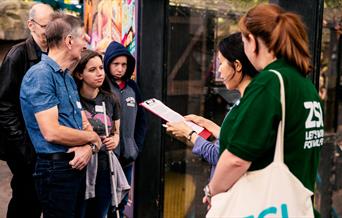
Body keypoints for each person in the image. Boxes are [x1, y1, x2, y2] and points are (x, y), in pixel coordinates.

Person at [204, 4, 324, 217]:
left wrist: (212, 190)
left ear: (252, 40)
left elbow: (237, 159)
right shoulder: (305, 86)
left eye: (243, 40)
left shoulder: (269, 83)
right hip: (294, 206)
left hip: (263, 207)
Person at [20, 12, 102, 217]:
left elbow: (83, 123)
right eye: (83, 37)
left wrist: (89, 147)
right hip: (55, 170)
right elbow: (52, 132)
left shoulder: (67, 77)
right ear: (68, 41)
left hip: (74, 166)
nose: (86, 43)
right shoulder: (41, 75)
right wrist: (92, 139)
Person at [165, 32, 258, 178]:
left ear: (237, 65)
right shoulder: (249, 100)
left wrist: (189, 134)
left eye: (221, 63)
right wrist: (205, 123)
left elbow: (218, 154)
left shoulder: (246, 106)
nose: (218, 70)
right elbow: (232, 140)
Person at [0, 3, 53, 218]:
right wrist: (22, 146)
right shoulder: (17, 56)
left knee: (39, 198)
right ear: (31, 25)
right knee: (25, 198)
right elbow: (4, 106)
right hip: (23, 147)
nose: (50, 32)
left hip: (44, 143)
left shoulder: (53, 52)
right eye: (45, 26)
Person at [73, 49, 130, 218]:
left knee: (100, 214)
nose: (99, 74)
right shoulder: (73, 99)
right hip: (81, 168)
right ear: (79, 75)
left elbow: (116, 132)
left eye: (101, 68)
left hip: (105, 168)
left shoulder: (111, 99)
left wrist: (115, 140)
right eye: (92, 70)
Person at [103, 41, 147, 217]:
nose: (120, 68)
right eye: (115, 64)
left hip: (127, 156)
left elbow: (142, 120)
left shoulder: (132, 87)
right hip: (107, 156)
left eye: (124, 64)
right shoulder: (102, 86)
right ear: (107, 63)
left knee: (121, 200)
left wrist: (136, 146)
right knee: (105, 201)